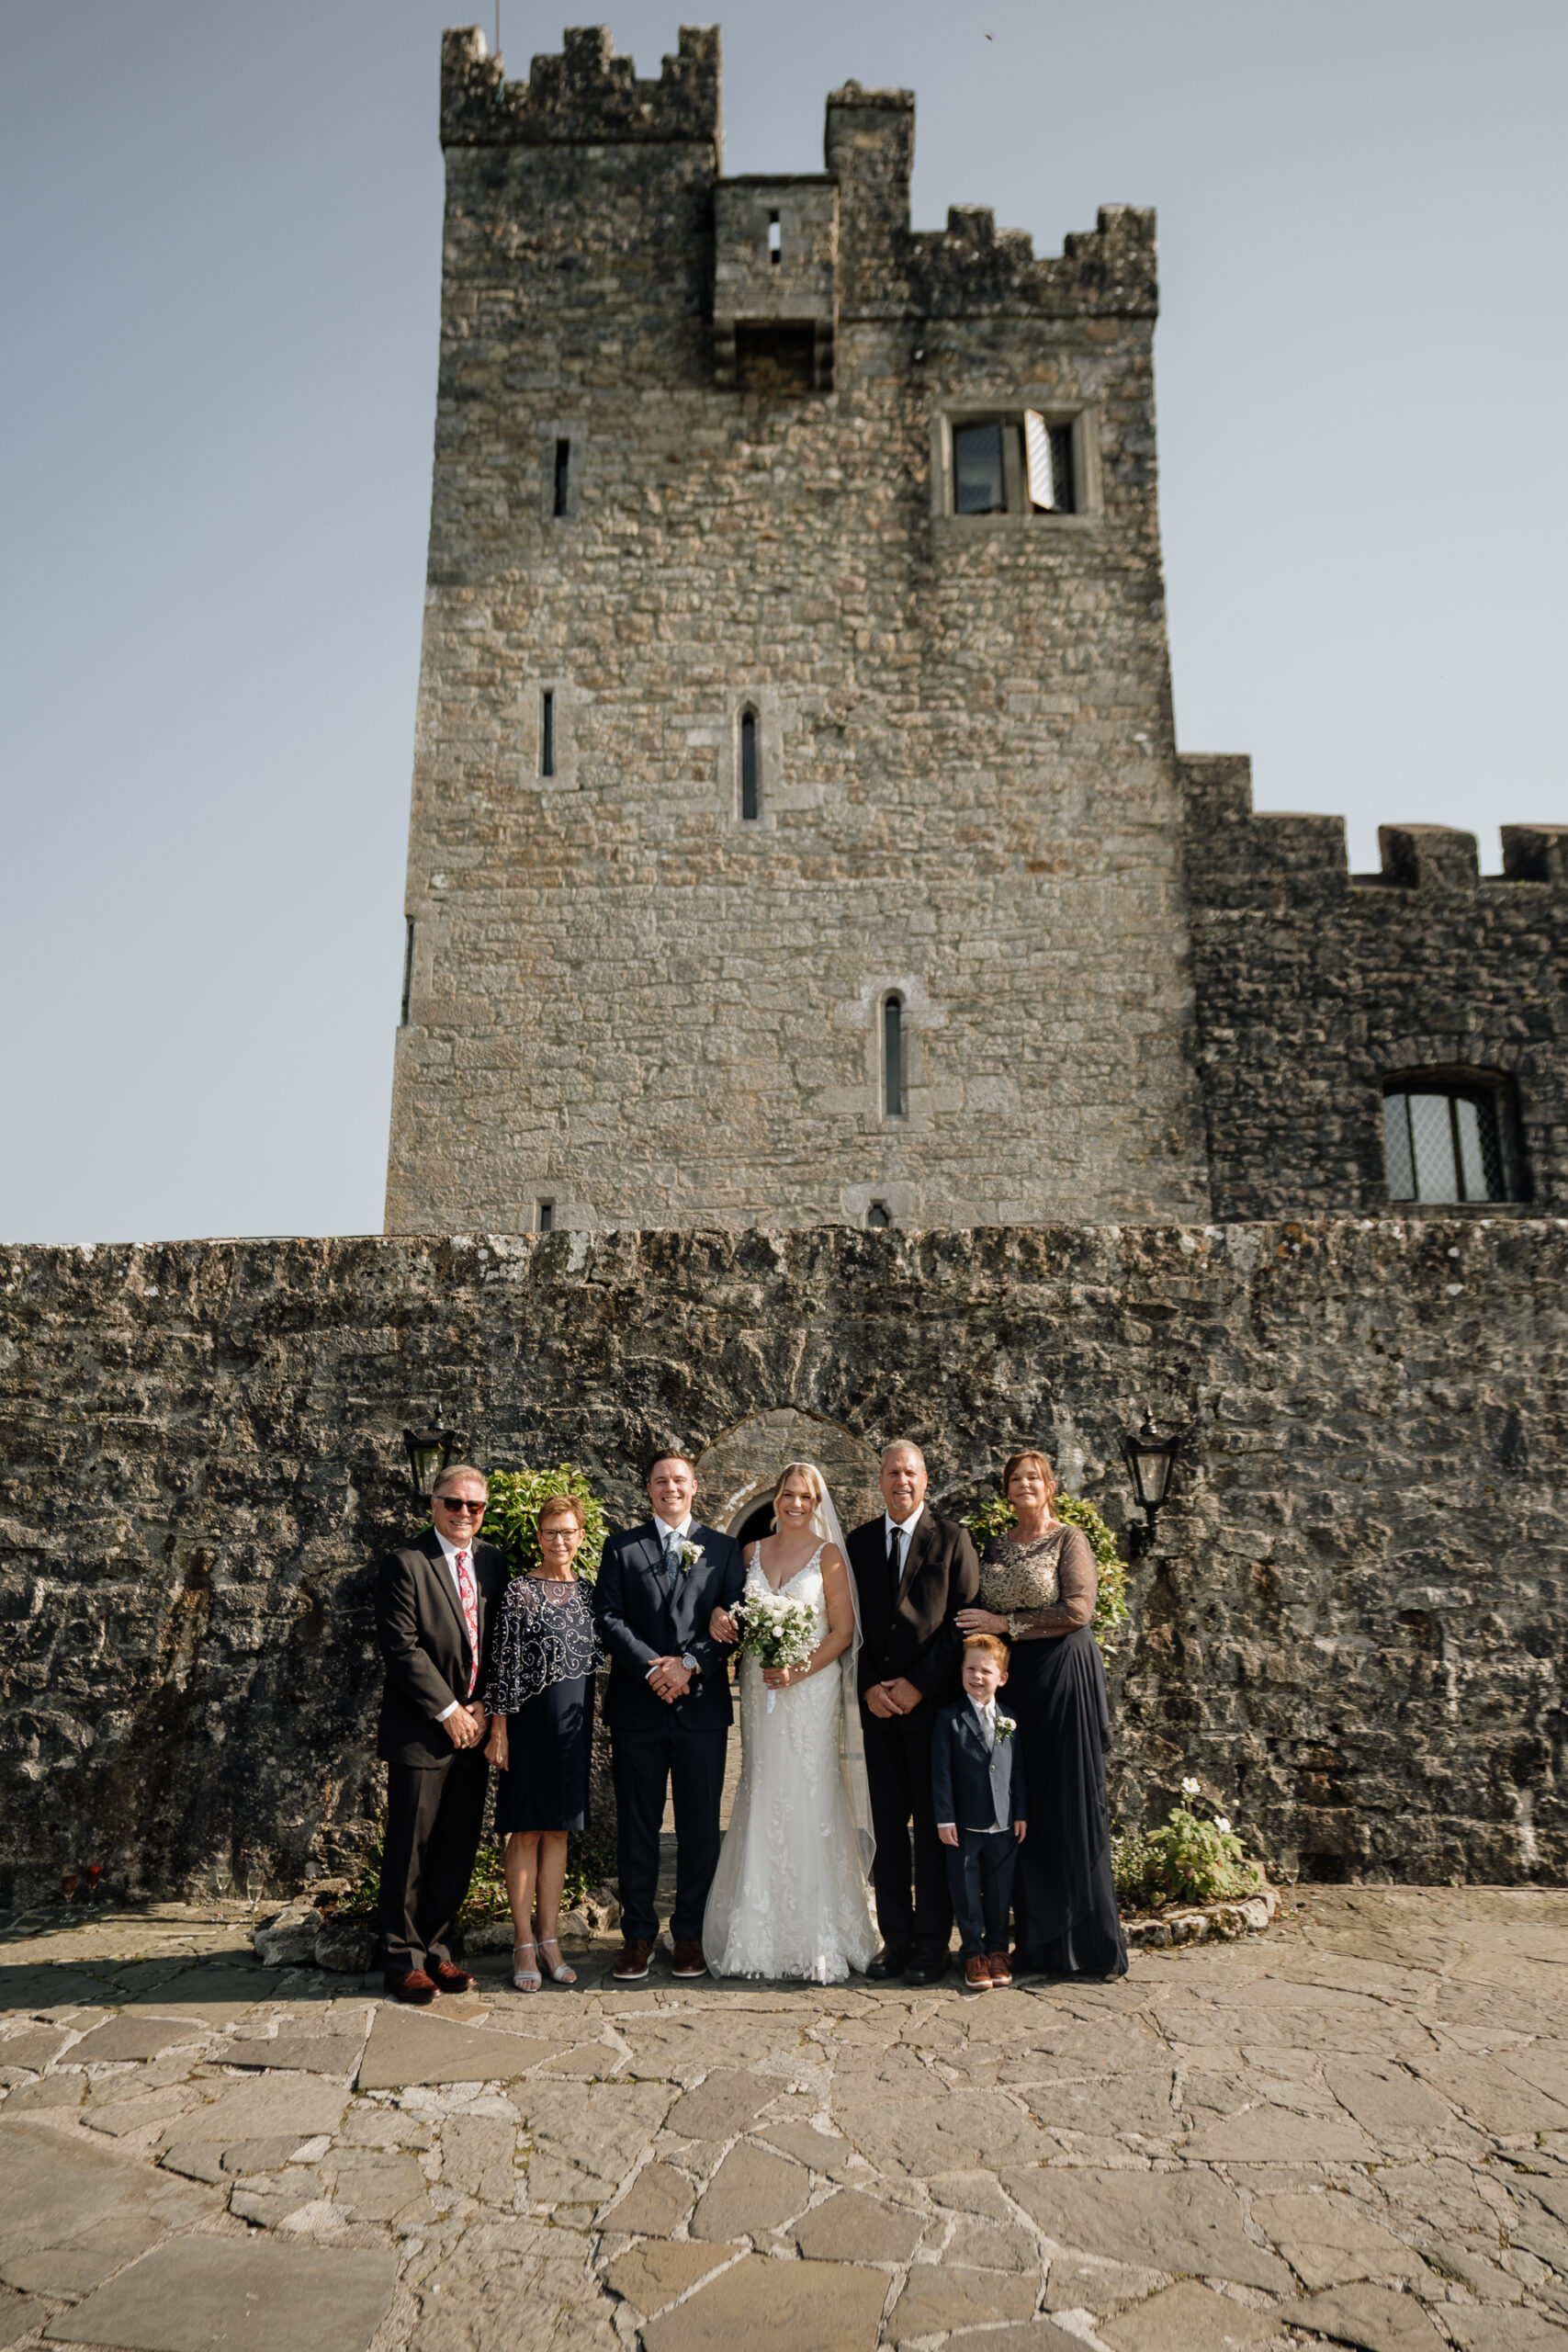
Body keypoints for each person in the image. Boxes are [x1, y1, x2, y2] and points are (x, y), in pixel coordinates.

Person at [702, 1463, 877, 1983]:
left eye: (805, 1496)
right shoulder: (750, 1552)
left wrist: (799, 1669)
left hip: (809, 1690)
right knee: (762, 1787)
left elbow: (842, 1632)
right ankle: (755, 1937)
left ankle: (818, 1933)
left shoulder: (830, 1557)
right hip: (760, 1688)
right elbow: (729, 1612)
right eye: (787, 1494)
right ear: (775, 1497)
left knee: (808, 1791)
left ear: (817, 1502)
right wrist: (719, 1618)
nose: (795, 1503)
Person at [956, 1450, 1127, 1978]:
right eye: (1015, 1478)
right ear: (1006, 1490)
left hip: (1063, 1677)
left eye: (1033, 1477)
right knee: (1022, 1805)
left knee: (1065, 1801)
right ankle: (1033, 1940)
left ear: (1049, 1486)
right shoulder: (995, 1545)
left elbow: (1079, 1609)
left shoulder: (1068, 1538)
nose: (1024, 1485)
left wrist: (1005, 1622)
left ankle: (1083, 1944)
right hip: (1016, 1683)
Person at [592, 1450, 745, 1982]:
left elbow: (735, 1619)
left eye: (679, 1479)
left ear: (695, 1486)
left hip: (700, 1709)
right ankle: (638, 1934)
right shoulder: (622, 1546)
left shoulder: (725, 1550)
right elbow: (606, 1615)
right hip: (638, 1707)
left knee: (701, 1828)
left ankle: (690, 1935)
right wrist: (650, 1669)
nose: (670, 1488)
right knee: (638, 1825)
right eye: (661, 1481)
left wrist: (689, 1664)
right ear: (649, 1489)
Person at [846, 1442, 980, 1984]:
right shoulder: (855, 1544)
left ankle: (931, 1945)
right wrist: (868, 1688)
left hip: (933, 1712)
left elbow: (964, 1620)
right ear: (879, 1479)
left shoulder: (953, 1539)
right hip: (878, 1710)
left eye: (910, 1472)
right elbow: (845, 1624)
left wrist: (919, 1686)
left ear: (925, 1480)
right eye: (891, 1472)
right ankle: (896, 1940)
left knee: (931, 1831)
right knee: (886, 1832)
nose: (900, 1480)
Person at [373, 1463, 506, 2004]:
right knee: (410, 1849)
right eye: (454, 1503)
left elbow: (500, 1639)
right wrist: (448, 1709)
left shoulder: (493, 1562)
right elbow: (401, 1647)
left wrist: (481, 1706)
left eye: (475, 1506)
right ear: (434, 1504)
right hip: (425, 1731)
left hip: (474, 1727)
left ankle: (437, 1951)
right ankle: (401, 1961)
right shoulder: (406, 1563)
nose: (464, 1514)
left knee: (457, 1844)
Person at [483, 1493, 604, 1992]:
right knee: (526, 1831)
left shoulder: (591, 1593)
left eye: (569, 1532)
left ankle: (551, 1939)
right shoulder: (518, 1592)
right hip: (526, 1729)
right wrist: (499, 1730)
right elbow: (503, 1664)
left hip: (571, 1734)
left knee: (558, 1832)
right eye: (551, 1532)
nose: (560, 1540)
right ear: (539, 1537)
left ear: (580, 1538)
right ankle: (523, 1942)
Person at [933, 1634, 1028, 1994]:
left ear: (1001, 1678)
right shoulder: (949, 1718)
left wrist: (1020, 1812)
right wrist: (945, 1819)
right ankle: (972, 1952)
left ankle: (998, 1950)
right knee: (967, 1889)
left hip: (1004, 1822)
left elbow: (1016, 1770)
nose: (977, 1676)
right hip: (965, 1823)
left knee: (1000, 1890)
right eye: (970, 1668)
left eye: (986, 1670)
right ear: (961, 1671)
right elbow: (940, 1772)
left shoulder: (1010, 1718)